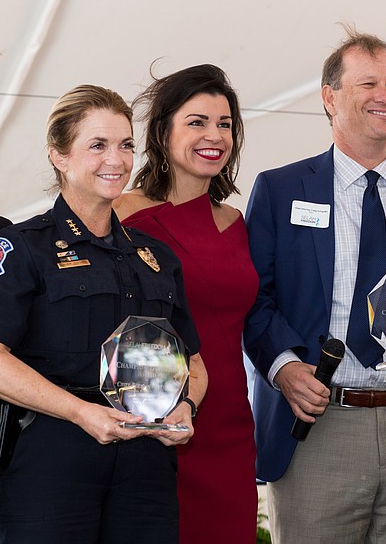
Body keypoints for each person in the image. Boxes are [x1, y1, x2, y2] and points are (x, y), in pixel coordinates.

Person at [243, 26, 386, 542]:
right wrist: (284, 368)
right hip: (316, 425)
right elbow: (254, 298)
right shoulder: (281, 190)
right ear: (329, 98)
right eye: (368, 84)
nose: (384, 96)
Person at [0, 84, 207, 543]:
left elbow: (192, 360)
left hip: (145, 461)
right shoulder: (23, 247)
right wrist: (80, 413)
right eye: (98, 145)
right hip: (51, 455)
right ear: (59, 155)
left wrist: (186, 407)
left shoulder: (156, 256)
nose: (117, 160)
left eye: (125, 145)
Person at [114, 64, 257, 543]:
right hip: (155, 420)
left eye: (224, 124)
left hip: (230, 424)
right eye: (197, 122)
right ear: (163, 132)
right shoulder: (122, 213)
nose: (214, 135)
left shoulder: (237, 221)